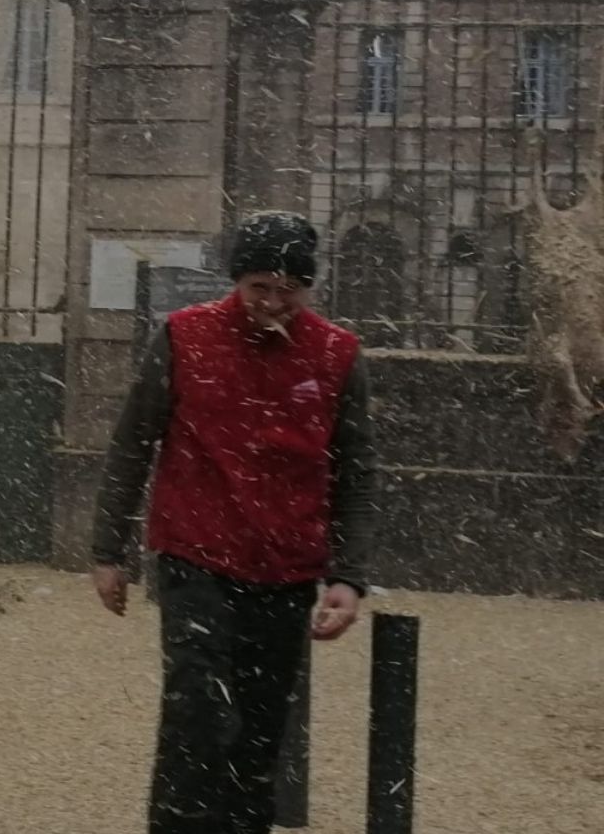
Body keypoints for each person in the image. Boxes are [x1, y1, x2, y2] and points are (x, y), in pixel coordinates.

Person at [91, 211, 381, 834]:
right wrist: (107, 549)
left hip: (285, 566)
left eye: (289, 290)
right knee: (198, 709)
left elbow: (355, 471)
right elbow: (131, 445)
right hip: (195, 553)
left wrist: (348, 576)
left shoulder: (337, 355)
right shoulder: (183, 337)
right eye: (259, 288)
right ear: (236, 281)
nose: (273, 304)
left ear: (309, 289)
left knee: (258, 728)